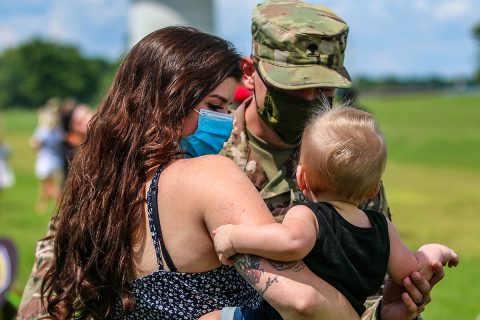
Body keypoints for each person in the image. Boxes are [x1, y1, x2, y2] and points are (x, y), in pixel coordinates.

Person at [40, 26, 361, 320]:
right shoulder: (210, 175)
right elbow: (301, 300)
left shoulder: (102, 189)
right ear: (172, 98)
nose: (227, 118)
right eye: (216, 104)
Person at [219, 1, 443, 319]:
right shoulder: (211, 154)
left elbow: (371, 290)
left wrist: (390, 311)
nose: (311, 100)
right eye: (294, 87)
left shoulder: (343, 157)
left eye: (324, 88)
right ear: (249, 74)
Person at [213, 106, 459, 317]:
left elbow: (291, 242)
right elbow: (412, 272)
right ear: (374, 189)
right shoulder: (382, 227)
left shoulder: (307, 215)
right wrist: (434, 250)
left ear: (301, 177)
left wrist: (233, 237)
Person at [30, 99, 64, 214]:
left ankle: (62, 203)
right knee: (46, 184)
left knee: (49, 186)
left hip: (45, 161)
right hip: (56, 160)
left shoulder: (43, 130)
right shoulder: (59, 131)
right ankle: (41, 205)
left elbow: (36, 144)